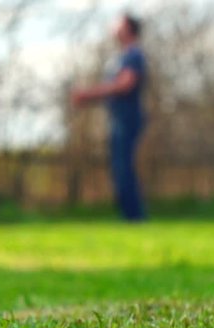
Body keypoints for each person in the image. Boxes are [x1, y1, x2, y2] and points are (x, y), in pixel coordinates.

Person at [71, 14, 147, 222]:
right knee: (119, 167)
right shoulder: (122, 57)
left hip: (127, 117)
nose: (113, 28)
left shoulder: (133, 55)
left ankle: (134, 218)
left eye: (118, 24)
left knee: (123, 167)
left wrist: (88, 94)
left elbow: (125, 85)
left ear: (129, 29)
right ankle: (130, 217)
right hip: (118, 117)